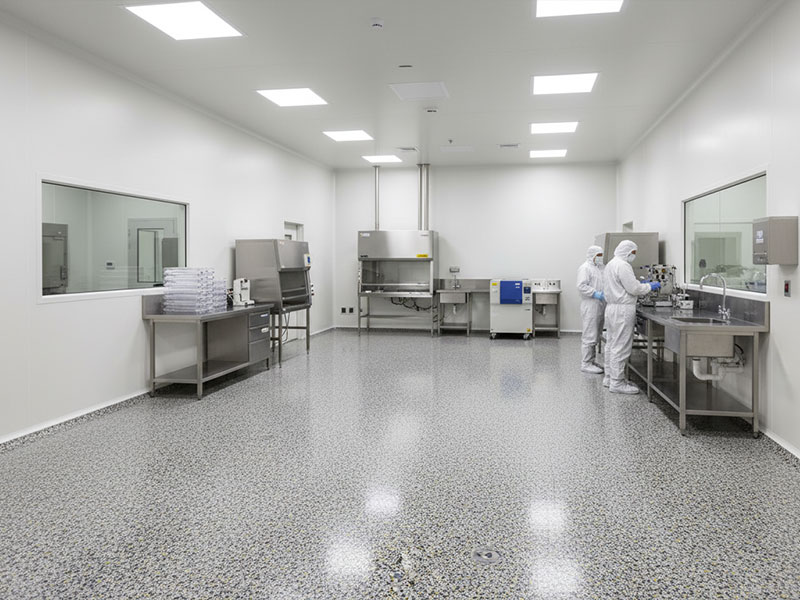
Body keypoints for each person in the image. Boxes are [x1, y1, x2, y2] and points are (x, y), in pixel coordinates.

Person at [603, 240, 661, 394]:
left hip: (611, 308)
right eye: (634, 253)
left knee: (611, 344)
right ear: (628, 252)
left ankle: (609, 377)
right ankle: (617, 383)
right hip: (622, 309)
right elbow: (634, 288)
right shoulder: (623, 265)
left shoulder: (611, 264)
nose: (634, 256)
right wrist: (649, 286)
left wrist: (640, 283)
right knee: (621, 346)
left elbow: (625, 284)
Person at [577, 245, 605, 374]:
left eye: (601, 255)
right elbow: (581, 286)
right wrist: (595, 293)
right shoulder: (585, 268)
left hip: (599, 304)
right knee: (589, 334)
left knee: (596, 334)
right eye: (598, 255)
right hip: (590, 304)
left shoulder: (599, 268)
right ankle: (586, 363)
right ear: (591, 255)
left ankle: (592, 361)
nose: (600, 258)